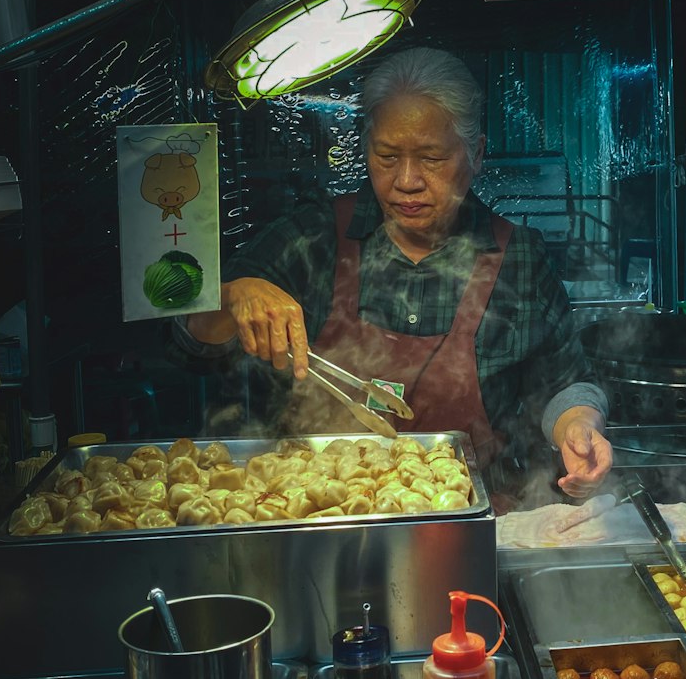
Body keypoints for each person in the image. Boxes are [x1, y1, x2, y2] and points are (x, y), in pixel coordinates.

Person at [181, 47, 612, 502]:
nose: (406, 180)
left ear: (477, 154)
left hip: (474, 518)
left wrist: (579, 426)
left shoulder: (519, 259)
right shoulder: (313, 238)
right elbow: (189, 345)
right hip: (320, 514)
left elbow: (564, 383)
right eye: (387, 157)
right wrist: (231, 296)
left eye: (431, 158)